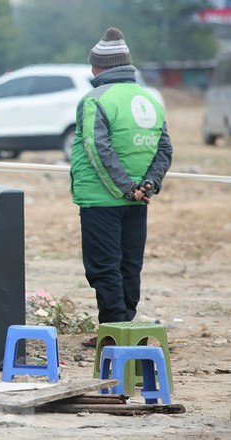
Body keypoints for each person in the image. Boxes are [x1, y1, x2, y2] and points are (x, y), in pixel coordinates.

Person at [69, 27, 173, 347]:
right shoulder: (149, 100)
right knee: (129, 265)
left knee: (104, 268)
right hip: (138, 200)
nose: (90, 71)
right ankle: (128, 328)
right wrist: (148, 185)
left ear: (101, 67)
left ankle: (115, 334)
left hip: (102, 199)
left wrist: (127, 188)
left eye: (93, 65)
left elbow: (96, 149)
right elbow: (164, 149)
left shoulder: (95, 99)